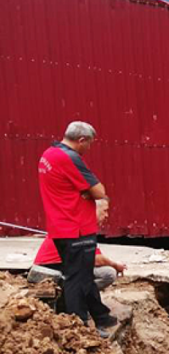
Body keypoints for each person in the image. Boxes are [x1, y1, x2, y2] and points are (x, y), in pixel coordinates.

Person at [38, 121, 117, 331]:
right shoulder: (70, 158)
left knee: (82, 273)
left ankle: (102, 316)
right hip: (76, 227)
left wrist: (83, 192)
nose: (88, 149)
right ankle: (79, 323)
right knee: (77, 278)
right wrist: (86, 193)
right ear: (81, 140)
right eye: (89, 144)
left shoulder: (49, 154)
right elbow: (100, 191)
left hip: (60, 225)